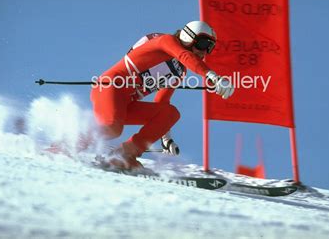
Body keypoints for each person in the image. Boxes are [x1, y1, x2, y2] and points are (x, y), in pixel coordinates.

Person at [90, 21, 234, 170]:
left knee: (170, 113)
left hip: (126, 104)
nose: (204, 52)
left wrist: (166, 138)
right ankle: (70, 142)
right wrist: (213, 76)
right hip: (110, 87)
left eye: (209, 48)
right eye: (203, 44)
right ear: (188, 37)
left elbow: (162, 101)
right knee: (112, 128)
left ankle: (124, 155)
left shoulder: (180, 71)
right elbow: (184, 55)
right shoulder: (166, 41)